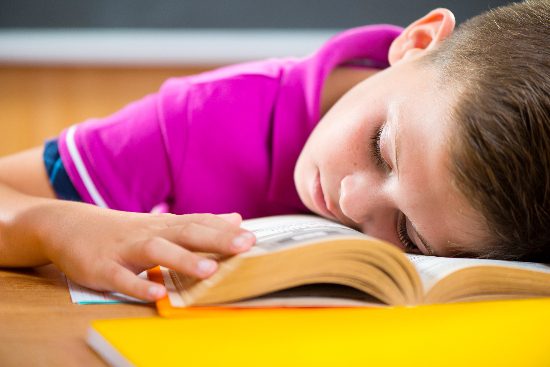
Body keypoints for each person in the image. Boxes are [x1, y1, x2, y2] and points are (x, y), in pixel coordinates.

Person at [0, 1, 548, 301]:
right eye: (381, 150)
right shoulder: (199, 118)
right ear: (416, 43)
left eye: (409, 234)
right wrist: (56, 224)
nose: (353, 203)